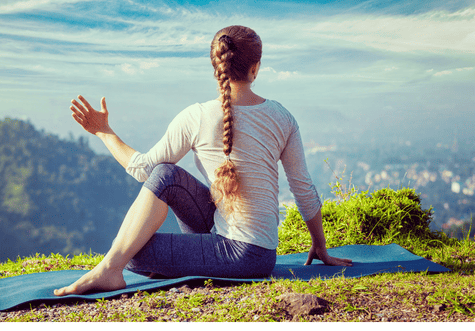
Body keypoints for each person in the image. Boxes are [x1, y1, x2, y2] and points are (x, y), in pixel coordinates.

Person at [54, 25, 352, 297]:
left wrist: (104, 133)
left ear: (216, 67)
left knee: (132, 252)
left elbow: (140, 168)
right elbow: (303, 189)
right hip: (259, 250)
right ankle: (115, 267)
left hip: (243, 255)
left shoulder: (196, 116)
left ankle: (110, 269)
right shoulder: (282, 116)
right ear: (256, 68)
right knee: (166, 175)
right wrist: (320, 246)